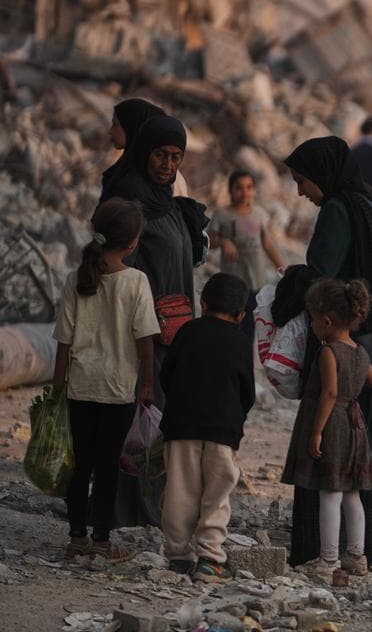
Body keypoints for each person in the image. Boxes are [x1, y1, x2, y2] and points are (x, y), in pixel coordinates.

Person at [283, 136, 372, 566]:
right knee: (364, 454)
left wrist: (290, 279)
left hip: (340, 339)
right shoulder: (369, 205)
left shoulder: (337, 209)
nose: (301, 191)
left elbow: (321, 273)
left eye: (302, 180)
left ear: (323, 174)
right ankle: (365, 548)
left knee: (330, 451)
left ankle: (324, 552)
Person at [100, 114, 208, 527]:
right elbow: (121, 270)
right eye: (161, 155)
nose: (168, 164)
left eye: (176, 157)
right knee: (137, 416)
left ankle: (151, 507)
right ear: (144, 151)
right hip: (143, 330)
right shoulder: (130, 200)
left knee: (160, 417)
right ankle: (127, 510)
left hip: (173, 330)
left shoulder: (168, 201)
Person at [52, 198, 158, 563]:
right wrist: (147, 384)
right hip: (117, 389)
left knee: (80, 464)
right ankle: (101, 541)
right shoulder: (136, 282)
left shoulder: (76, 279)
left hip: (79, 386)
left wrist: (57, 387)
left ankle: (76, 538)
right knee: (108, 466)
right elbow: (146, 341)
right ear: (131, 243)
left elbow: (63, 343)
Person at [158, 272, 254, 581]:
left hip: (181, 425)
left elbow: (167, 374)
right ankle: (210, 557)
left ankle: (177, 555)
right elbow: (247, 391)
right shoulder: (240, 341)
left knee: (179, 489)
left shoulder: (187, 331)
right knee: (217, 492)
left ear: (203, 303)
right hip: (222, 429)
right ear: (240, 315)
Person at [282, 278, 372, 580]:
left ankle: (328, 560)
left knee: (330, 492)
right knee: (352, 493)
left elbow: (330, 393)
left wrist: (316, 432)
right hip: (356, 424)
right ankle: (357, 556)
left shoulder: (328, 352)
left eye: (312, 319)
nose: (311, 325)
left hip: (334, 424)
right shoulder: (360, 351)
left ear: (326, 321)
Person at [211, 170, 285, 291]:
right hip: (232, 280)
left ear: (254, 190)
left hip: (257, 279)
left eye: (249, 187)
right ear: (230, 190)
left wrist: (282, 268)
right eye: (239, 188)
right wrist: (223, 242)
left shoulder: (259, 213)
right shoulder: (221, 214)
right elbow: (209, 241)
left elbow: (267, 244)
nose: (244, 192)